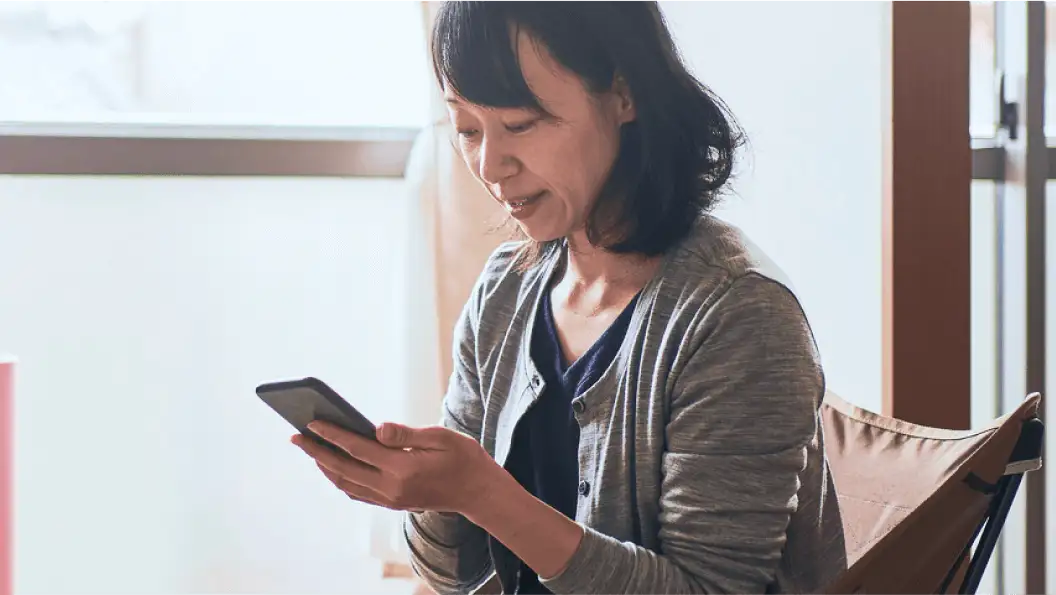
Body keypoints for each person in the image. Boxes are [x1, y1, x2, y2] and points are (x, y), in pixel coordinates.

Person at [291, 1, 847, 594]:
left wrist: (483, 494)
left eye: (521, 125)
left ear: (624, 94)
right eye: (468, 129)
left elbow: (707, 590)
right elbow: (454, 575)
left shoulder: (738, 316)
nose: (489, 165)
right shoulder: (507, 288)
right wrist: (429, 494)